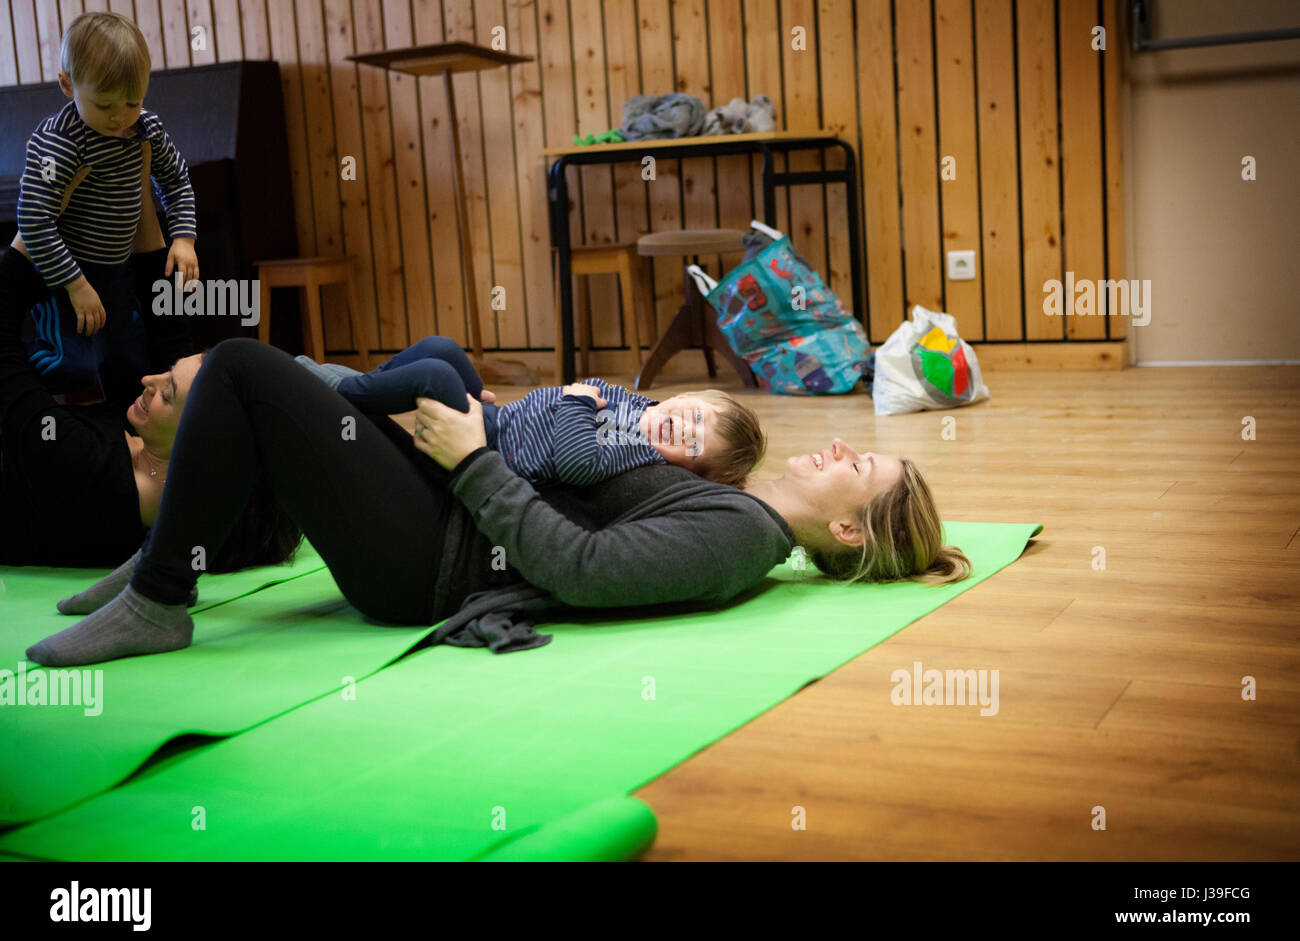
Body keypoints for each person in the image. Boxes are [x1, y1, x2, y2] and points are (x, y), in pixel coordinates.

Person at [25, 338, 971, 667]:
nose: (845, 445)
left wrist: (475, 456)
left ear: (846, 529)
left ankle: (159, 602)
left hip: (431, 563)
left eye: (864, 468)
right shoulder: (731, 491)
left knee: (242, 372)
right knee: (438, 361)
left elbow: (585, 573)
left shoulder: (736, 539)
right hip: (449, 509)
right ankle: (173, 554)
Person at [0, 247, 299, 574]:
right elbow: (168, 329)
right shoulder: (174, 463)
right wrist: (139, 201)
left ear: (193, 445)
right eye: (168, 372)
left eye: (167, 392)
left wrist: (36, 229)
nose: (150, 380)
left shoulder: (90, 470)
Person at [9, 10, 198, 408]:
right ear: (67, 85)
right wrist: (75, 286)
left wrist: (182, 237)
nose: (118, 118)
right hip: (67, 276)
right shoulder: (61, 141)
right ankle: (31, 357)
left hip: (118, 272)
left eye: (132, 102)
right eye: (104, 104)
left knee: (130, 364)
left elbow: (176, 179)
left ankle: (125, 438)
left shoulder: (145, 128)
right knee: (77, 362)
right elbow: (34, 218)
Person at [295, 336, 766, 488]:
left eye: (693, 445)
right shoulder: (641, 404)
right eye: (695, 417)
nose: (683, 429)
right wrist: (581, 398)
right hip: (501, 418)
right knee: (445, 350)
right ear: (687, 397)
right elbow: (590, 387)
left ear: (689, 468)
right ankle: (364, 387)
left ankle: (331, 389)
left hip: (487, 449)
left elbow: (576, 460)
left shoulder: (637, 451)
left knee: (436, 376)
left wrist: (580, 403)